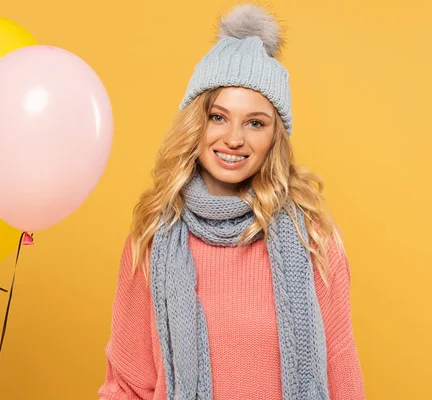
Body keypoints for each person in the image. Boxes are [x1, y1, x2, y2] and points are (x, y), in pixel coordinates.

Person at [98, 3, 366, 400]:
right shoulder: (152, 238)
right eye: (219, 117)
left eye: (255, 122)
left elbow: (342, 375)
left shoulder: (313, 239)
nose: (234, 138)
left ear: (274, 136)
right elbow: (126, 385)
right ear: (196, 122)